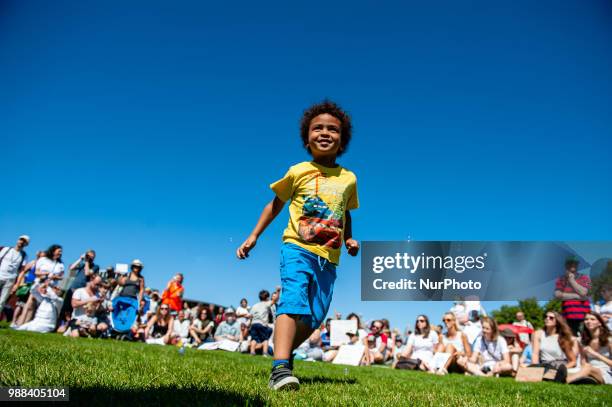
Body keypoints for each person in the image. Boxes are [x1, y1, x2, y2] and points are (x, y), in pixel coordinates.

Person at [236, 100, 359, 390]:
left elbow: (345, 212)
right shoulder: (299, 171)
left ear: (342, 141)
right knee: (293, 299)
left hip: (329, 257)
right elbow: (275, 205)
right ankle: (280, 369)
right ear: (307, 138)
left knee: (316, 314)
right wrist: (253, 236)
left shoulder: (349, 179)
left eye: (333, 129)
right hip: (298, 248)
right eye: (318, 128)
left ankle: (282, 349)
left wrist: (349, 238)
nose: (325, 133)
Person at [17, 244, 64, 326]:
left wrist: (54, 277)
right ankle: (20, 323)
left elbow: (61, 277)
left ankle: (30, 324)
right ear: (53, 251)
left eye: (61, 252)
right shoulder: (43, 260)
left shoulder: (60, 265)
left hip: (50, 288)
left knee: (39, 307)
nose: (60, 253)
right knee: (30, 304)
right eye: (59, 251)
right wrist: (46, 274)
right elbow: (36, 272)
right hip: (39, 285)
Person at [531, 311, 577, 381]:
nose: (547, 319)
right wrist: (535, 368)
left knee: (554, 374)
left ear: (557, 321)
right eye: (546, 317)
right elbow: (535, 354)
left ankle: (559, 376)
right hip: (544, 364)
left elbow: (573, 361)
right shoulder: (538, 334)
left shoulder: (563, 337)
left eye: (551, 318)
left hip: (559, 365)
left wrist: (562, 369)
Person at [567, 312, 611, 384]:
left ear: (599, 323)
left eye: (592, 319)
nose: (588, 321)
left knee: (588, 367)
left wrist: (595, 354)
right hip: (587, 370)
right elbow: (583, 361)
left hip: (605, 373)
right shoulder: (582, 341)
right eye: (586, 319)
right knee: (568, 371)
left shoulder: (609, 339)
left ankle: (565, 381)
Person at [61, 250, 99, 327]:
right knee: (67, 307)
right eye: (88, 256)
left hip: (82, 290)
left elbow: (87, 273)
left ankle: (73, 325)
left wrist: (87, 262)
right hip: (73, 287)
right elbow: (71, 268)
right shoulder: (82, 264)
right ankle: (66, 324)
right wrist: (80, 259)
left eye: (91, 257)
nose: (89, 258)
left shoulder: (95, 267)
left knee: (76, 308)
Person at [554, 256, 591, 336]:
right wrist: (578, 296)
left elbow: (584, 293)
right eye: (570, 263)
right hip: (567, 317)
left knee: (585, 341)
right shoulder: (561, 279)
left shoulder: (585, 277)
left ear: (577, 265)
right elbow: (557, 295)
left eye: (575, 263)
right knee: (570, 342)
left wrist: (572, 280)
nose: (572, 265)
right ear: (566, 265)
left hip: (584, 317)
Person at [11, 250, 44, 327]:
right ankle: (13, 321)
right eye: (42, 256)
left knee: (29, 305)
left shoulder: (43, 265)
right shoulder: (33, 263)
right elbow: (23, 272)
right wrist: (21, 282)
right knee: (20, 304)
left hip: (36, 286)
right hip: (27, 285)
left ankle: (22, 322)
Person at [0, 235, 29, 319]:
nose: (22, 242)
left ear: (26, 244)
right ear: (18, 240)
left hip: (10, 279)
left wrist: (17, 284)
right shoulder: (5, 249)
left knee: (2, 301)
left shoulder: (24, 255)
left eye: (24, 241)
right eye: (21, 240)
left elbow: (22, 271)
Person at [248, 288, 280, 356]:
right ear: (268, 297)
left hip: (254, 324)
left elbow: (250, 316)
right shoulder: (266, 304)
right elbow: (275, 300)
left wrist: (250, 325)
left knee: (254, 339)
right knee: (265, 339)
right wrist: (278, 291)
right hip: (261, 324)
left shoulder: (254, 305)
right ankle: (265, 353)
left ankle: (252, 352)